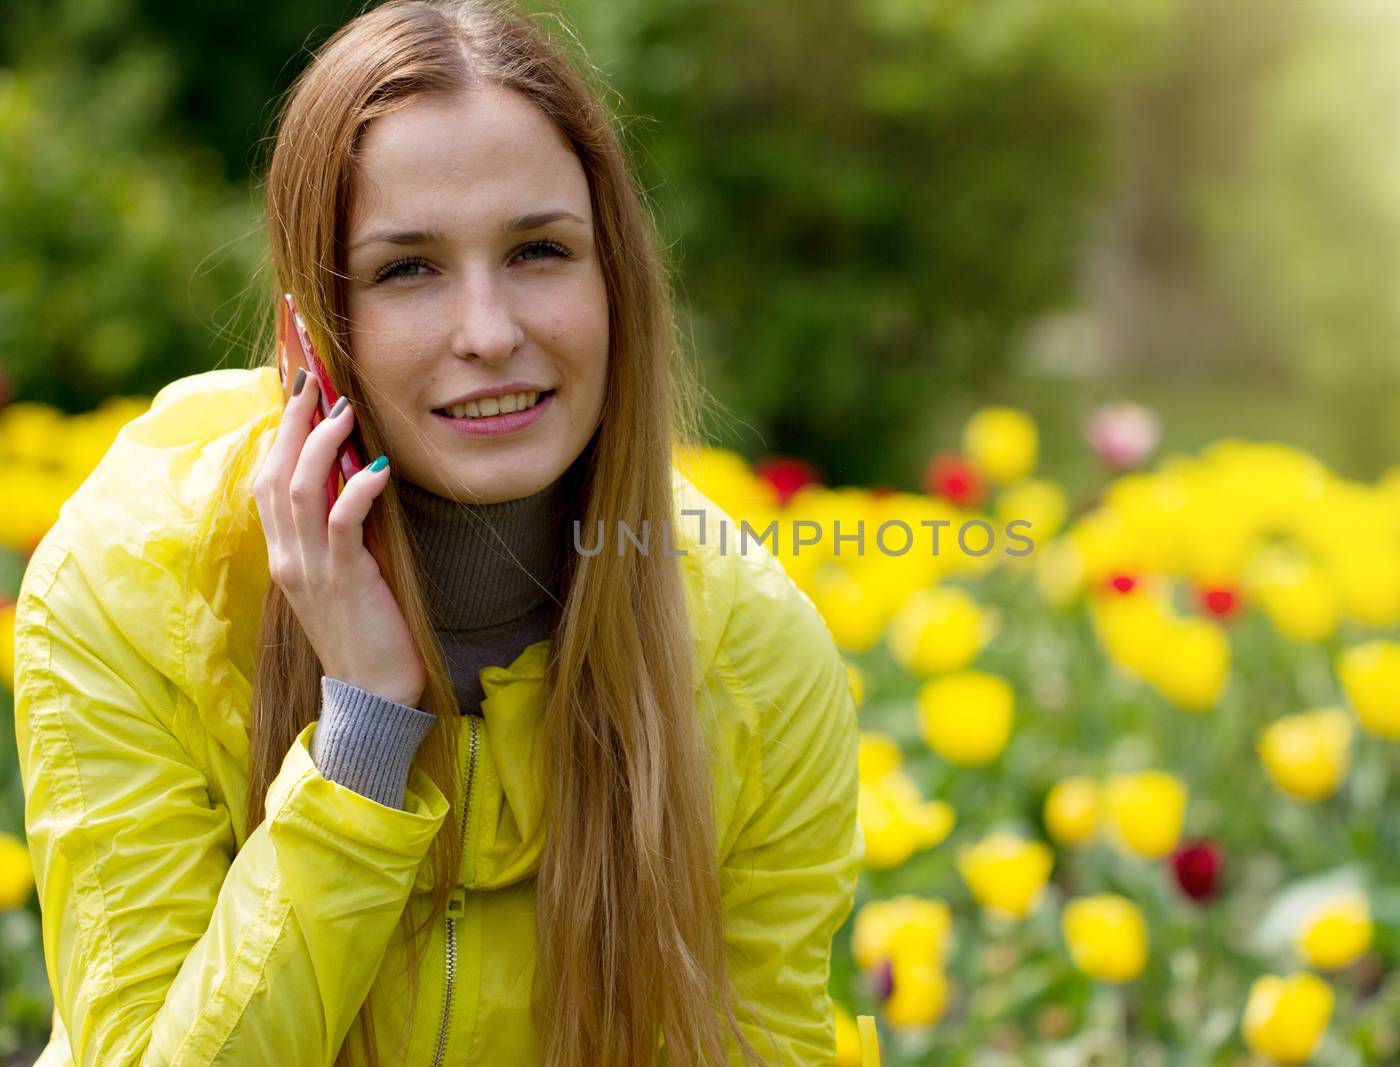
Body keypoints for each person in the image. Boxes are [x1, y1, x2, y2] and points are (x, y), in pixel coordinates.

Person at [10, 1, 863, 1063]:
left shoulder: (749, 650)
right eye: (407, 268)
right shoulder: (130, 593)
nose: (490, 332)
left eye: (539, 250)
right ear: (313, 333)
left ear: (618, 285)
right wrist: (361, 736)